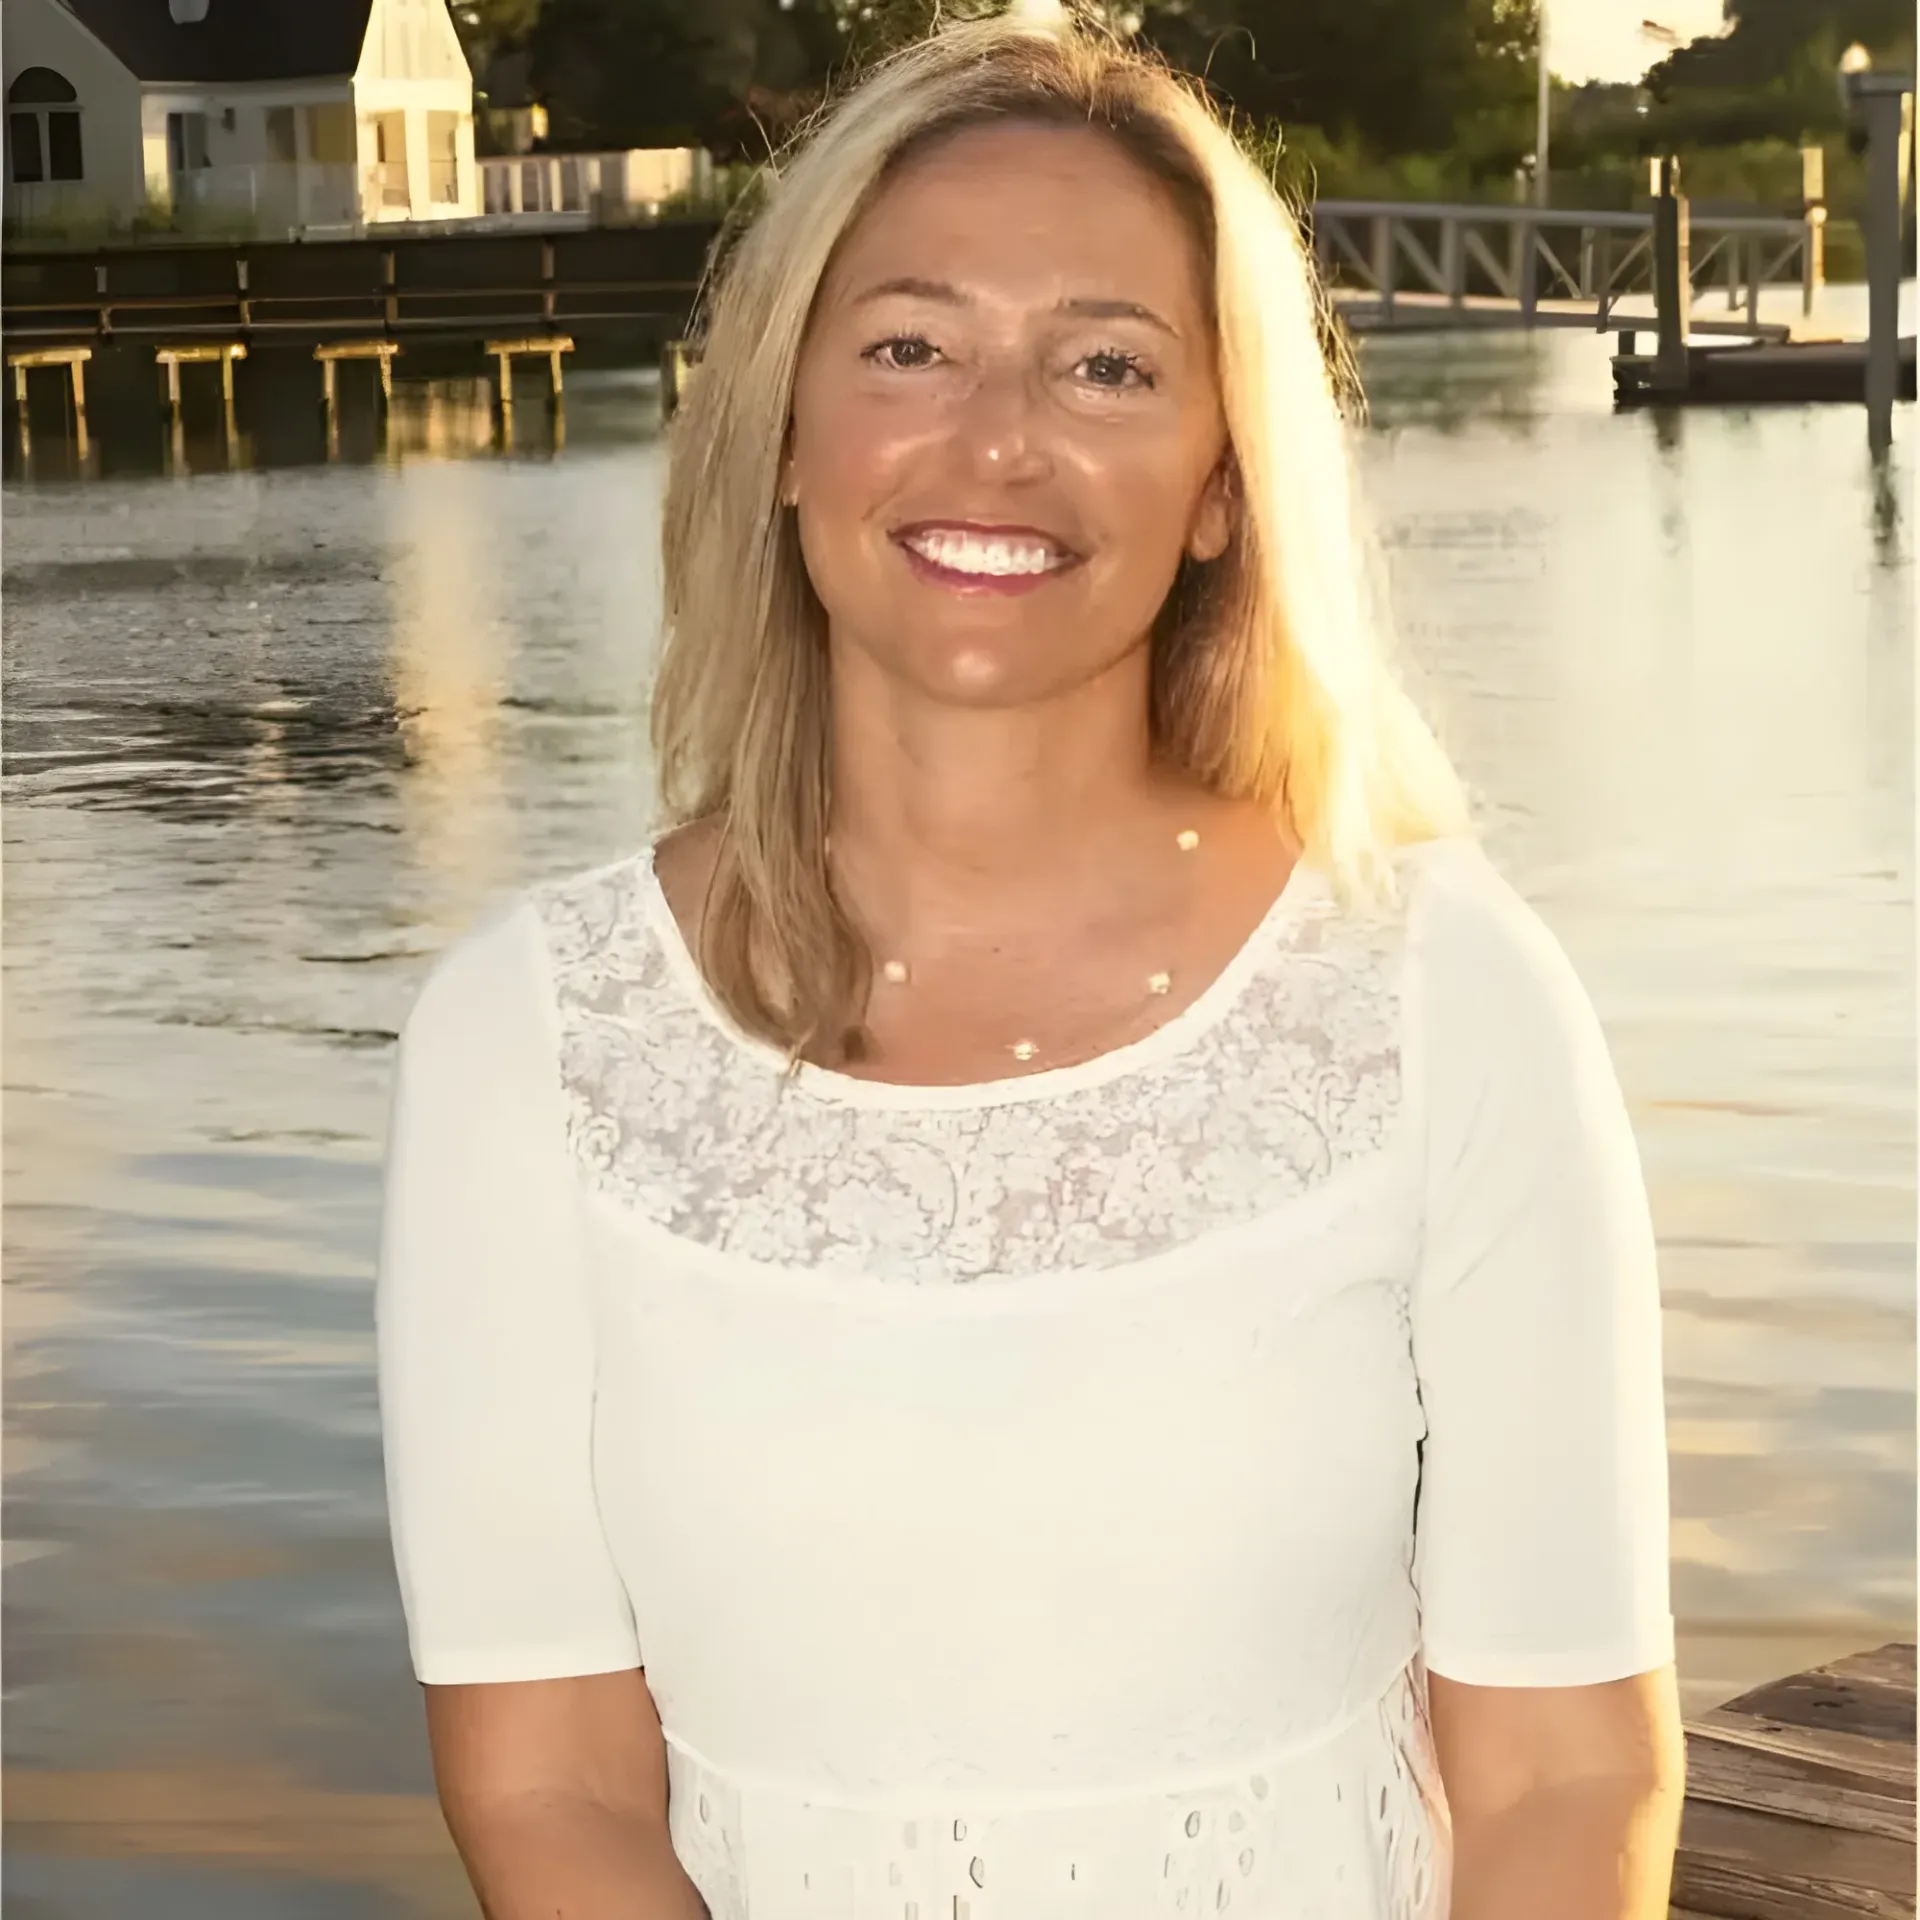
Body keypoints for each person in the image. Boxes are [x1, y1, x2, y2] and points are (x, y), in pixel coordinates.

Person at [375, 11, 1685, 1918]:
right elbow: (552, 1794)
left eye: (1107, 365)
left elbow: (1571, 1775)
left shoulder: (1440, 993)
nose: (1002, 439)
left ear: (1225, 478)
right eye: (910, 347)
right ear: (781, 430)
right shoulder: (525, 1043)